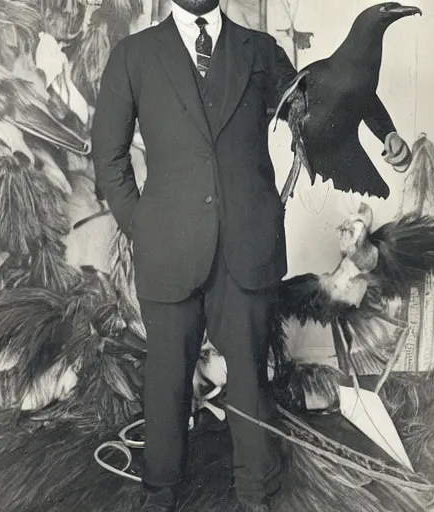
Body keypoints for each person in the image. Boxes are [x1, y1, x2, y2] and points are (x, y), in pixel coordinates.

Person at [91, 1, 297, 510]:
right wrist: (138, 224)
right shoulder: (133, 54)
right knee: (166, 375)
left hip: (246, 244)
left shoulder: (262, 51)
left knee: (250, 372)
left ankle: (256, 492)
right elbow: (107, 152)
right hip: (169, 246)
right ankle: (161, 490)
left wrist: (384, 135)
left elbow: (315, 114)